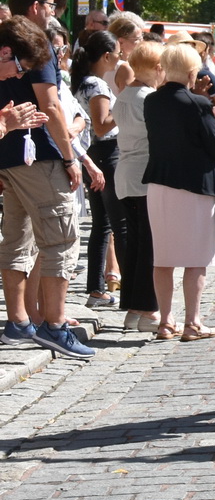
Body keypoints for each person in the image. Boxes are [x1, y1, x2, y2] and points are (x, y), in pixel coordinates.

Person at [0, 0, 91, 359]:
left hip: (12, 158)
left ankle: (20, 322)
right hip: (37, 156)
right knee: (60, 240)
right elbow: (52, 106)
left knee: (19, 239)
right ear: (37, 6)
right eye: (52, 4)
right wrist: (71, 158)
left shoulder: (18, 41)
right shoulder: (32, 44)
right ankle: (54, 326)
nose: (55, 10)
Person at [143, 44, 215, 342]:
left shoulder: (152, 101)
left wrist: (206, 110)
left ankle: (165, 322)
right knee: (196, 258)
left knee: (163, 258)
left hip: (159, 185)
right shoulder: (198, 104)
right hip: (194, 187)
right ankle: (192, 322)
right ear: (193, 71)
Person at [113, 41, 163, 334]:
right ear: (156, 69)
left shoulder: (125, 96)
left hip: (126, 174)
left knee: (135, 244)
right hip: (144, 175)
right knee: (149, 246)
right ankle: (147, 308)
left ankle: (132, 308)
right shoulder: (147, 98)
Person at [72, 32, 124, 310]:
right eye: (117, 52)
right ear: (106, 56)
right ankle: (130, 293)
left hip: (96, 154)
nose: (120, 57)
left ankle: (96, 289)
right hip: (106, 153)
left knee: (102, 225)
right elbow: (102, 125)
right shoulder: (97, 85)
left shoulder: (84, 81)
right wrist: (125, 106)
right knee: (118, 223)